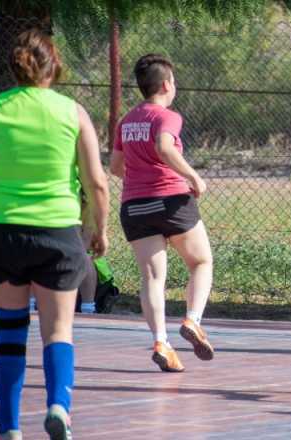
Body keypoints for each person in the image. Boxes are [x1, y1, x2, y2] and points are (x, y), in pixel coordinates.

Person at [0, 29, 109, 440]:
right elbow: (97, 183)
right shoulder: (74, 113)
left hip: (2, 234)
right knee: (58, 331)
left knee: (8, 332)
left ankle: (9, 429)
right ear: (54, 66)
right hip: (58, 232)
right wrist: (98, 230)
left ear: (14, 66)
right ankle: (59, 406)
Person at [110, 54, 215, 373]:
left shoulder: (126, 121)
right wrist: (193, 176)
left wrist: (140, 174)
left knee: (152, 278)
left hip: (135, 207)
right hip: (171, 201)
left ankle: (161, 342)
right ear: (167, 83)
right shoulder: (167, 117)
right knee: (201, 261)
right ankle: (193, 320)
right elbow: (165, 147)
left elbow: (115, 167)